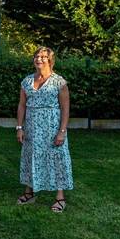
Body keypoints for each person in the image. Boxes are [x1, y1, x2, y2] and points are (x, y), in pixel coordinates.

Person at [16, 47, 74, 212]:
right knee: (30, 156)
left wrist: (62, 131)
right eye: (36, 56)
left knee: (56, 158)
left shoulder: (59, 82)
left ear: (50, 60)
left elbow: (65, 109)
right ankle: (30, 192)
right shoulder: (26, 81)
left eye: (43, 57)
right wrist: (19, 127)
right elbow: (21, 105)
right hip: (31, 128)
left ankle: (60, 197)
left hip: (52, 127)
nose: (39, 59)